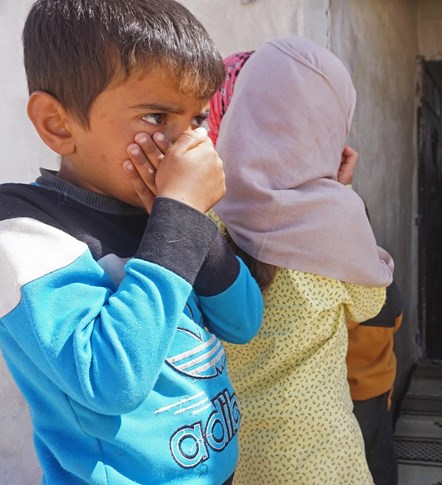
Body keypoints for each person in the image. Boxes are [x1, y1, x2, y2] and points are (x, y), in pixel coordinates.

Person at [0, 1, 264, 484]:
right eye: (157, 116)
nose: (187, 145)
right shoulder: (26, 230)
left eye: (199, 119)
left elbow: (244, 321)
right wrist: (178, 217)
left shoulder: (165, 214)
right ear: (58, 124)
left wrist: (187, 221)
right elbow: (110, 381)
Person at [209, 38, 394, 484]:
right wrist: (338, 193)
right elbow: (370, 305)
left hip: (228, 455)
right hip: (319, 459)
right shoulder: (334, 222)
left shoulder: (202, 209)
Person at [347, 269, 403, 485]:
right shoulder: (382, 283)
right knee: (379, 459)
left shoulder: (331, 285)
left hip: (338, 394)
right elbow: (397, 318)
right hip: (378, 389)